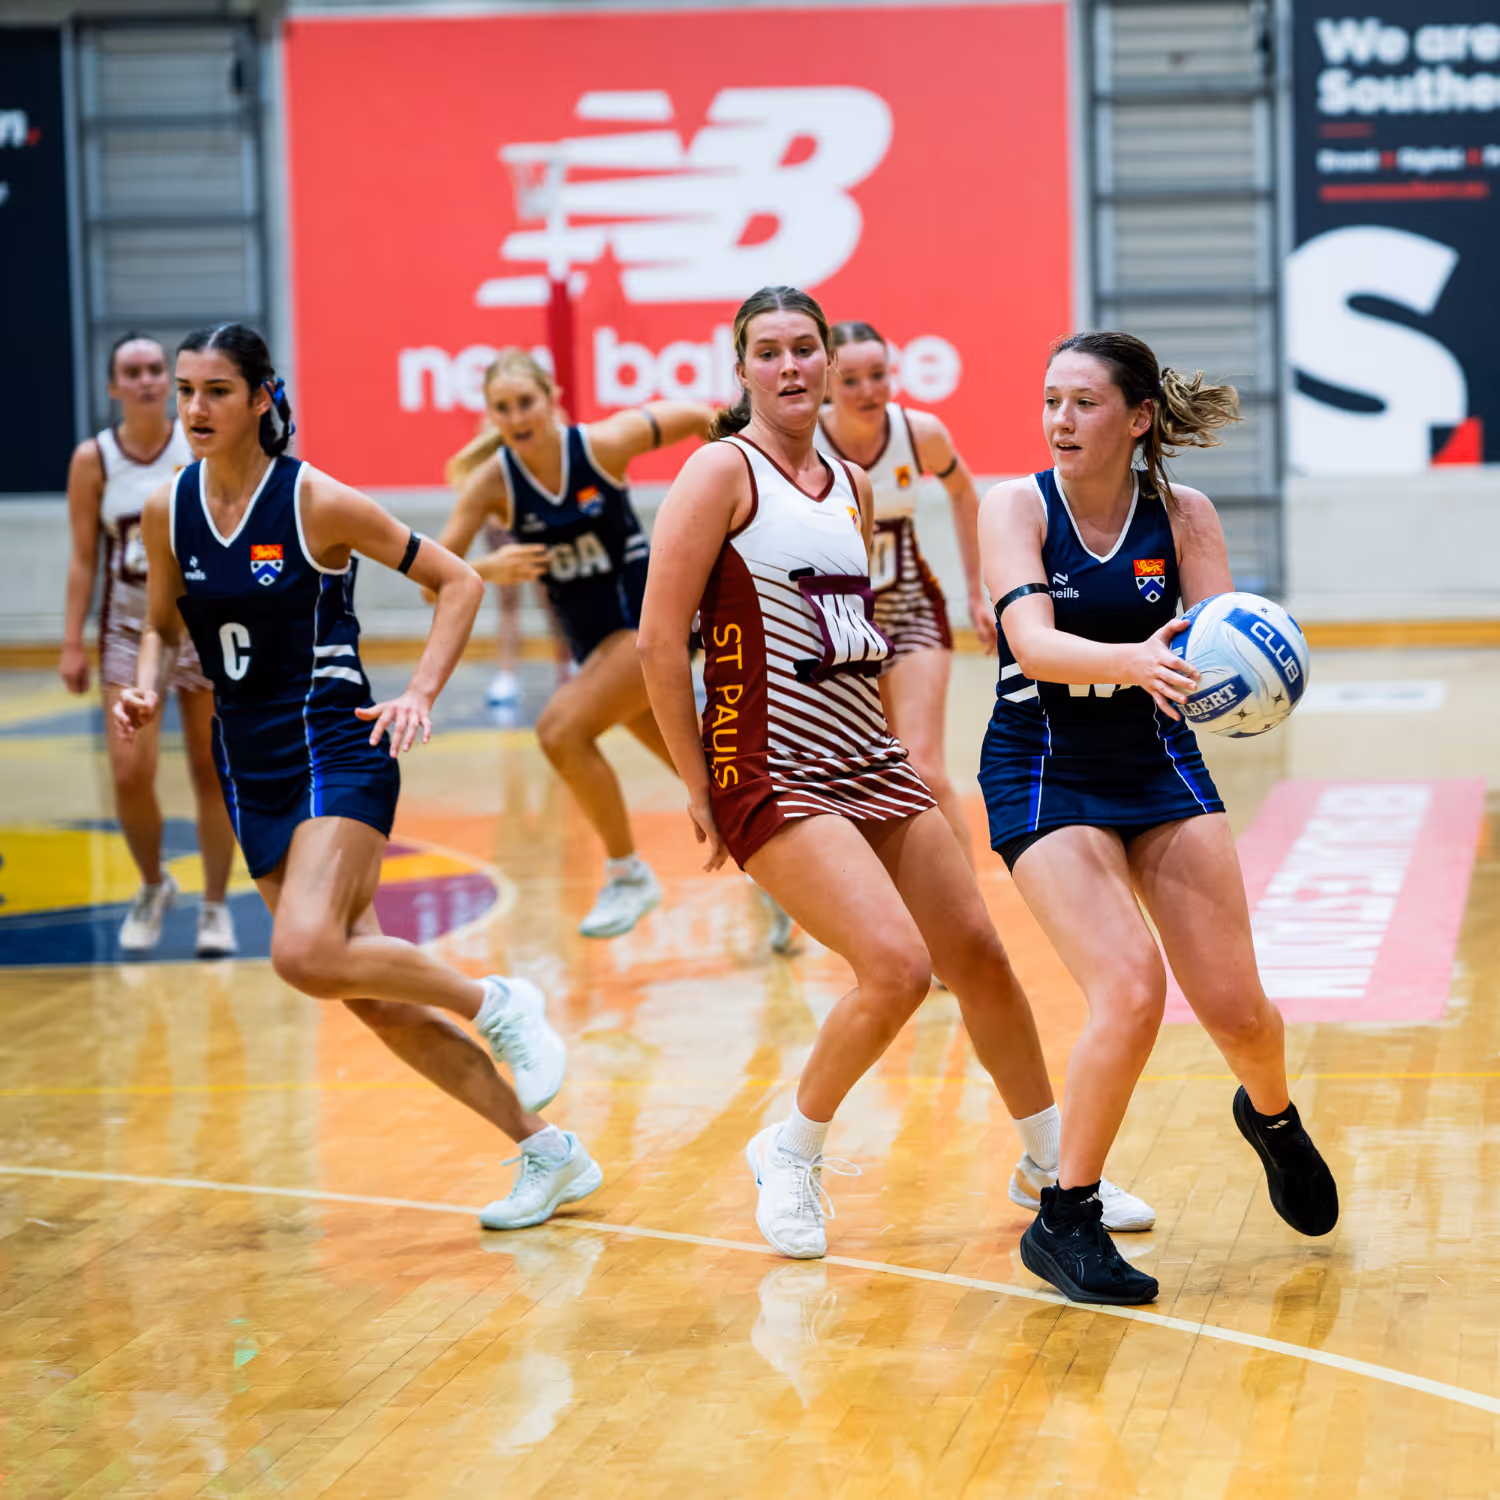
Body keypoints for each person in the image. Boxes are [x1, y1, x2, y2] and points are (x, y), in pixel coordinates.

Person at [636, 286, 1154, 1267]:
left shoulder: (852, 482)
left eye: (805, 349)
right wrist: (696, 783)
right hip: (770, 767)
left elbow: (846, 629)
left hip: (865, 755)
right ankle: (789, 1149)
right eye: (768, 352)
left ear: (828, 362)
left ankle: (1049, 1164)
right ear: (740, 369)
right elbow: (661, 642)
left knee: (980, 957)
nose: (790, 367)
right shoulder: (718, 473)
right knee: (897, 968)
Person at [113, 323, 600, 1230]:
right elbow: (159, 625)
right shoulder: (164, 507)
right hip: (250, 767)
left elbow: (459, 581)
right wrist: (143, 688)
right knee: (367, 995)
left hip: (336, 749)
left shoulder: (316, 501)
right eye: (185, 391)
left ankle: (497, 999)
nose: (194, 409)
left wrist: (420, 690)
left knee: (302, 953)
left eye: (216, 391)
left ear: (263, 398)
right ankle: (547, 1151)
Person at [977, 330, 1338, 1305]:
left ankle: (1269, 1116)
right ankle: (1067, 1216)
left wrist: (1244, 681)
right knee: (1130, 989)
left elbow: (1219, 650)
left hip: (1156, 762)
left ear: (1137, 419)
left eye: (1083, 403)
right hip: (1043, 766)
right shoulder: (1016, 505)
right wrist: (1136, 659)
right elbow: (1032, 643)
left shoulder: (1183, 514)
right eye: (1051, 400)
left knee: (1238, 1010)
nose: (1060, 420)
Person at [438, 349, 713, 938]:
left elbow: (695, 415)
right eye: (502, 408)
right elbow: (432, 577)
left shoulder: (602, 446)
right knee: (709, 782)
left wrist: (732, 498)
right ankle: (777, 869)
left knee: (560, 731)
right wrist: (488, 567)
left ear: (552, 398)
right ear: (491, 416)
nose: (517, 417)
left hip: (649, 629)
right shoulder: (494, 483)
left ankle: (627, 874)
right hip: (600, 651)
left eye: (526, 402)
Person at [60, 332, 237, 956]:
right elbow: (85, 558)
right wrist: (71, 642)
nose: (146, 380)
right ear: (113, 386)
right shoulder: (95, 460)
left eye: (156, 369)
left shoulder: (199, 445)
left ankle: (215, 905)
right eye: (132, 371)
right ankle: (153, 883)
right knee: (130, 772)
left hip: (203, 629)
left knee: (211, 773)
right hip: (128, 631)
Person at [814, 321, 996, 864]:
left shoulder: (919, 433)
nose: (869, 390)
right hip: (837, 628)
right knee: (847, 777)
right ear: (826, 383)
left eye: (879, 375)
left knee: (925, 767)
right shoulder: (802, 443)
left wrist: (974, 590)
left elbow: (965, 493)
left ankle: (969, 918)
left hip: (913, 610)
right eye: (852, 380)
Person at [444, 418, 572, 708]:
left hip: (539, 523)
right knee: (508, 602)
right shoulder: (492, 424)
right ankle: (507, 674)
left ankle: (567, 668)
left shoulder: (547, 419)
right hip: (504, 525)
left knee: (552, 601)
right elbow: (484, 472)